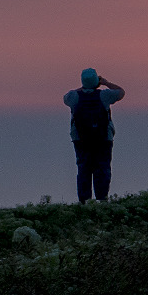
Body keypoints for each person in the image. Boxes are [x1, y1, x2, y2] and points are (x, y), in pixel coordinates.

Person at [63, 68, 125, 202]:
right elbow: (121, 92)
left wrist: (85, 87)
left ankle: (85, 202)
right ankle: (102, 199)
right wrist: (105, 83)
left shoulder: (73, 96)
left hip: (80, 139)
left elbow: (65, 98)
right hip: (103, 138)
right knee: (102, 169)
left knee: (84, 169)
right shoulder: (104, 95)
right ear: (96, 80)